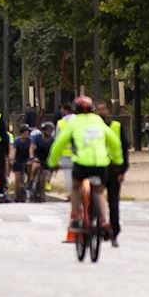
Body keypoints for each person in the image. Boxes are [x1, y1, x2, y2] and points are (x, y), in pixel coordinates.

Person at [45, 94, 123, 239]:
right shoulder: (98, 121)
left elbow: (59, 143)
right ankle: (103, 220)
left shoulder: (73, 123)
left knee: (75, 187)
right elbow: (114, 142)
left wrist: (51, 163)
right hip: (101, 163)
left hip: (82, 163)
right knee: (99, 192)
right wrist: (118, 161)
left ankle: (75, 218)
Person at [95, 100, 129, 244]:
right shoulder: (93, 128)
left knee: (113, 203)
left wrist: (123, 170)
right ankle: (100, 227)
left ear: (108, 111)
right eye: (98, 110)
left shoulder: (116, 126)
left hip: (114, 169)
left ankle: (114, 231)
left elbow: (124, 148)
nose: (101, 112)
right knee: (96, 199)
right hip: (97, 167)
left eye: (103, 109)